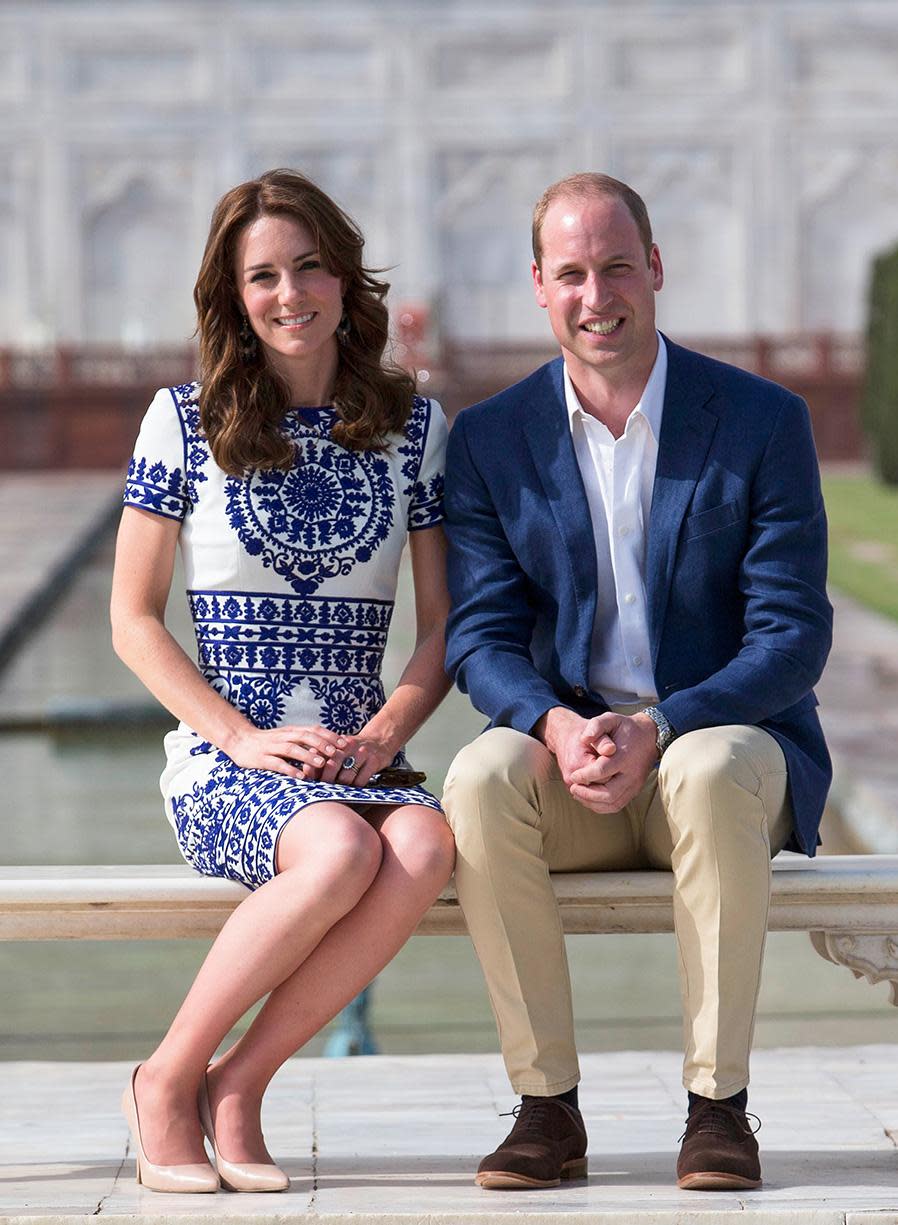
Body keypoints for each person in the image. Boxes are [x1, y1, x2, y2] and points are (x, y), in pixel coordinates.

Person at [441, 172, 832, 1192]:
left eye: (616, 266)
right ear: (538, 285)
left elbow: (791, 638)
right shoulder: (490, 441)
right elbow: (478, 640)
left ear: (654, 267)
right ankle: (545, 1108)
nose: (595, 293)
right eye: (570, 272)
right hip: (576, 769)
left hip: (720, 755)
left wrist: (659, 724)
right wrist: (555, 724)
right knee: (480, 777)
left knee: (705, 766)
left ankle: (716, 1109)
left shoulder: (757, 420)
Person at [110, 168, 455, 1193]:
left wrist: (392, 726)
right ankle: (166, 1079)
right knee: (342, 843)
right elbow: (132, 620)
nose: (289, 292)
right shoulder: (183, 422)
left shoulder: (415, 432)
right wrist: (242, 738)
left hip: (359, 751)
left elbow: (441, 629)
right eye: (262, 275)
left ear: (347, 282)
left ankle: (240, 1084)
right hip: (230, 758)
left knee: (427, 838)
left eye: (309, 266)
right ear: (234, 296)